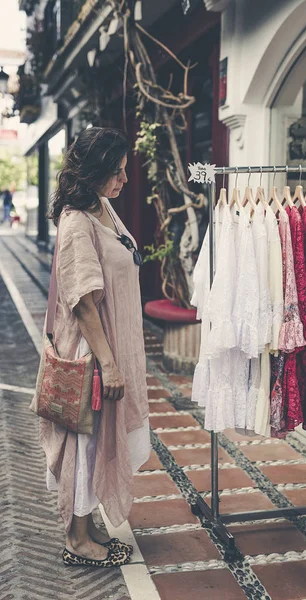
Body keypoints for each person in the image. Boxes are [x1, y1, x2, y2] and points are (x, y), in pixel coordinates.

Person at [40, 127, 150, 568]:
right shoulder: (76, 222)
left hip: (112, 347)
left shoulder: (102, 208)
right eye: (117, 172)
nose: (124, 180)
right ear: (92, 173)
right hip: (91, 355)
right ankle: (77, 541)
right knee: (85, 445)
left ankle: (85, 524)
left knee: (97, 441)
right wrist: (109, 365)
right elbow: (84, 303)